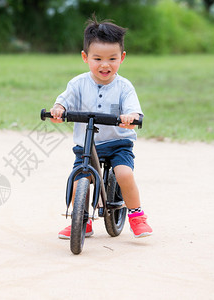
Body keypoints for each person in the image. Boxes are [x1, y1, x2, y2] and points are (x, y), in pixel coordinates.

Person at [50, 16, 153, 239]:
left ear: (122, 58)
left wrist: (130, 117)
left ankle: (137, 215)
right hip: (87, 146)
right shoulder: (78, 84)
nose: (105, 65)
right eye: (97, 58)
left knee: (124, 173)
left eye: (112, 59)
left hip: (118, 143)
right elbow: (63, 101)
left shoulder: (124, 87)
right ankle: (81, 221)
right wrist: (58, 110)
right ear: (85, 57)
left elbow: (135, 110)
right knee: (79, 180)